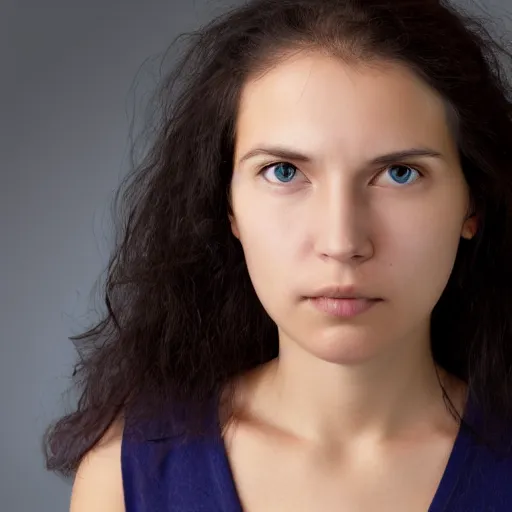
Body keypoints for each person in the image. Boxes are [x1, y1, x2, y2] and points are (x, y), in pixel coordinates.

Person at [44, 0, 512, 510]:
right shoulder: (123, 477)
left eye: (400, 173)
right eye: (284, 172)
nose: (342, 242)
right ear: (227, 207)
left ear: (473, 201)